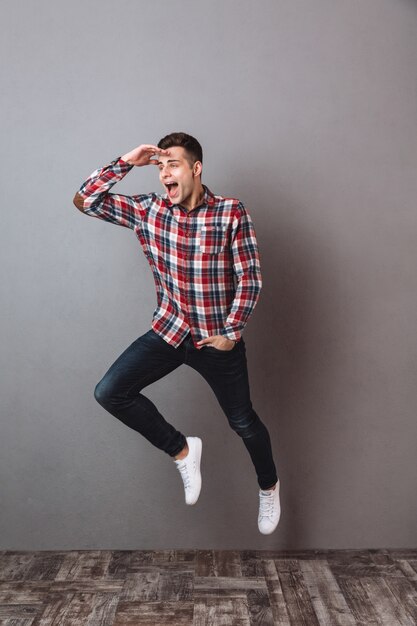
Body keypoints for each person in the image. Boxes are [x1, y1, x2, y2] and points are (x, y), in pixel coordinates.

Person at [73, 132, 280, 534]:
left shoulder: (230, 212)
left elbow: (250, 276)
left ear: (196, 169)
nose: (165, 173)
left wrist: (231, 332)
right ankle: (183, 451)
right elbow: (85, 201)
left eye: (174, 165)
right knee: (109, 392)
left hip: (216, 341)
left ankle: (269, 487)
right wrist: (127, 161)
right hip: (168, 331)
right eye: (160, 166)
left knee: (243, 422)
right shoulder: (148, 210)